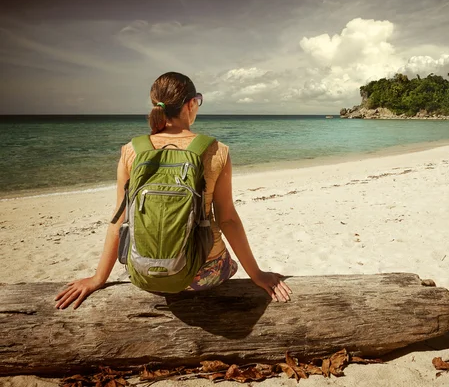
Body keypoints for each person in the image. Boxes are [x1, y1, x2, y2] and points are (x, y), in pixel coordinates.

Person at [55, 72, 291, 309]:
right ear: (191, 104)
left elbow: (120, 218)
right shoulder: (217, 150)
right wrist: (257, 275)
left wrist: (98, 279)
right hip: (203, 276)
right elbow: (227, 219)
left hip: (146, 276)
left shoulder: (131, 151)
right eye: (197, 101)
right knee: (229, 263)